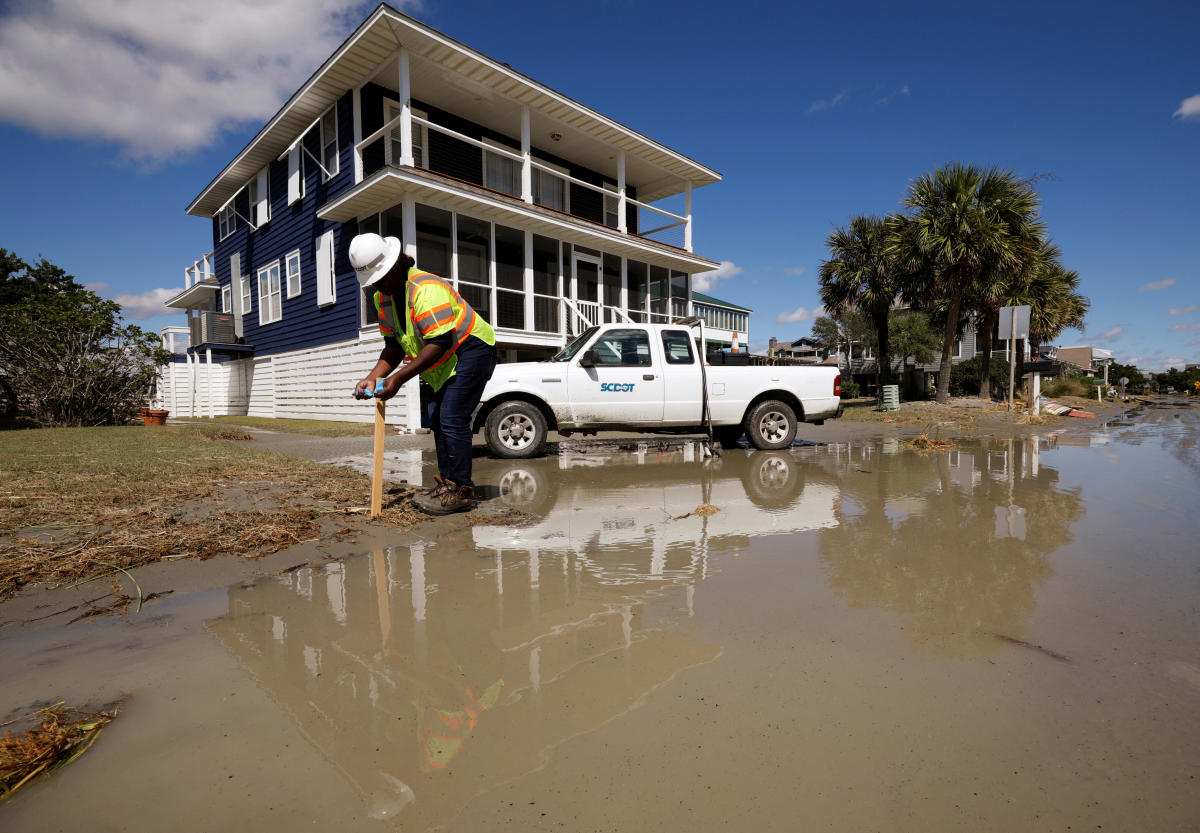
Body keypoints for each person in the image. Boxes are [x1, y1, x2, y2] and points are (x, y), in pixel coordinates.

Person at [349, 233, 497, 514]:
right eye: (371, 282)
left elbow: (439, 343)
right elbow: (393, 347)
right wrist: (374, 376)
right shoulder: (384, 299)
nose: (375, 286)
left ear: (394, 267)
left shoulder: (425, 288)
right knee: (438, 419)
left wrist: (396, 379)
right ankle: (449, 484)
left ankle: (462, 491)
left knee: (452, 416)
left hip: (472, 349)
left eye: (379, 279)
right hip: (442, 358)